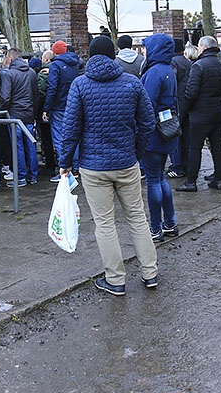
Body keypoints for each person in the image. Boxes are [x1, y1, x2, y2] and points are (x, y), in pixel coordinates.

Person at [59, 36, 158, 295]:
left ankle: (115, 280)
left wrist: (65, 162)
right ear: (113, 54)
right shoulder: (132, 83)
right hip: (126, 163)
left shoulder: (80, 85)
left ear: (90, 56)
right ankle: (150, 273)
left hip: (94, 166)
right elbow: (148, 122)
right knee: (137, 218)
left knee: (105, 223)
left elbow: (70, 129)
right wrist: (135, 152)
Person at [177, 36, 221, 192]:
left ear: (203, 48)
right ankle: (219, 179)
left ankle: (191, 182)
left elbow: (191, 92)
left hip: (200, 114)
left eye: (199, 47)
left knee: (195, 147)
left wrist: (186, 110)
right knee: (218, 145)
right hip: (218, 111)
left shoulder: (198, 66)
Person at [140, 33, 179, 241]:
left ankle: (155, 228)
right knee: (160, 178)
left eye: (146, 47)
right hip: (166, 130)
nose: (144, 51)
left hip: (153, 133)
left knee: (154, 180)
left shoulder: (154, 71)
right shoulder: (168, 69)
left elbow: (146, 104)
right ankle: (170, 223)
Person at [0, 48, 38, 187]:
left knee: (18, 146)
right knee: (31, 144)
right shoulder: (32, 72)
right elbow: (35, 94)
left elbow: (5, 97)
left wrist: (4, 110)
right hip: (29, 113)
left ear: (10, 58)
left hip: (15, 114)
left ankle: (21, 177)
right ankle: (33, 175)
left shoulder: (9, 74)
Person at [43, 40, 80, 182]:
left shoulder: (55, 65)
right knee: (73, 137)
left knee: (59, 138)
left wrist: (46, 108)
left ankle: (64, 168)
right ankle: (75, 168)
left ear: (54, 52)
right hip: (73, 105)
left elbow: (52, 88)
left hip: (58, 106)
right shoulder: (75, 64)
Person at [167, 37, 193, 179]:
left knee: (174, 135)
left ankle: (176, 166)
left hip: (176, 103)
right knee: (186, 136)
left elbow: (172, 82)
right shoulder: (188, 62)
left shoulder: (172, 62)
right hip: (188, 103)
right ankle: (186, 164)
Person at [36, 49, 56, 175]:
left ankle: (50, 164)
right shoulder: (60, 70)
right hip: (58, 109)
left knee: (46, 139)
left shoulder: (42, 74)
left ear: (46, 59)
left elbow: (41, 92)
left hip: (45, 110)